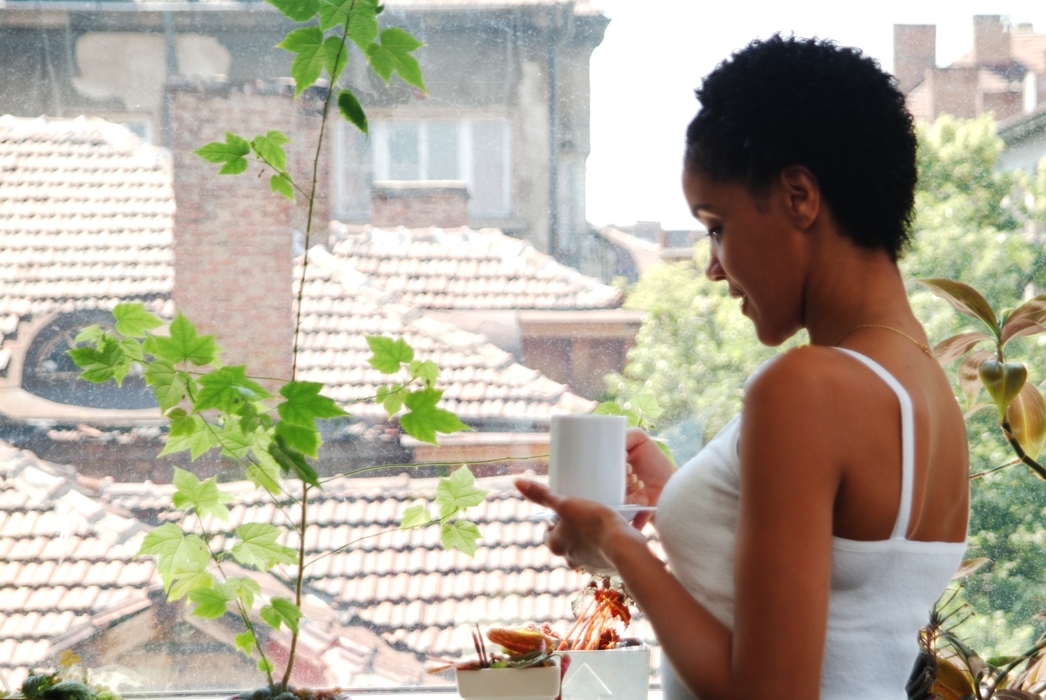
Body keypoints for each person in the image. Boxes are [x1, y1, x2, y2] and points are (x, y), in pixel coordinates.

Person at [515, 35, 969, 700]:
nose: (713, 265)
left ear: (798, 197)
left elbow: (765, 692)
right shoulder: (925, 385)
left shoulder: (805, 387)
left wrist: (615, 542)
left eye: (716, 225)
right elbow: (842, 608)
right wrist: (686, 498)